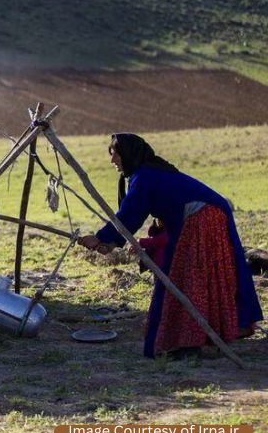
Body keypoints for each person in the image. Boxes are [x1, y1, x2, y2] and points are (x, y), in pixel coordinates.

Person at [78, 133, 263, 359]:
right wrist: (109, 242)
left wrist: (99, 238)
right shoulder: (147, 173)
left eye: (115, 154)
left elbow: (129, 215)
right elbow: (132, 216)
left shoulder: (144, 176)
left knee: (191, 275)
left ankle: (193, 337)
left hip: (203, 219)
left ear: (128, 154)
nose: (113, 160)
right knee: (191, 275)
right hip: (204, 216)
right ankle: (203, 333)